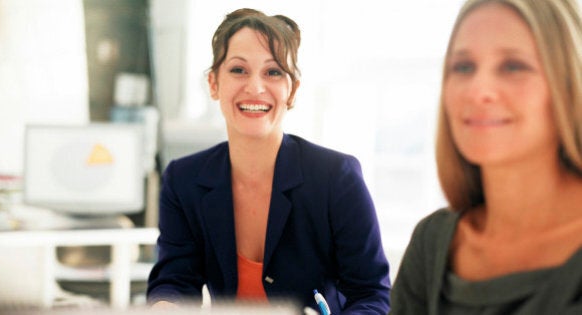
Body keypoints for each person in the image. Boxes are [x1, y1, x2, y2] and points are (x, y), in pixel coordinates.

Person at [147, 8, 390, 314]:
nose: (255, 87)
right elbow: (175, 279)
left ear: (292, 90)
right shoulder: (183, 179)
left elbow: (371, 293)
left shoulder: (337, 177)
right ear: (213, 83)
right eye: (238, 70)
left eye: (273, 72)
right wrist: (165, 306)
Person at [390, 0, 582, 313]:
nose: (479, 91)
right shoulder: (432, 242)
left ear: (569, 83)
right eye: (463, 67)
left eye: (513, 66)